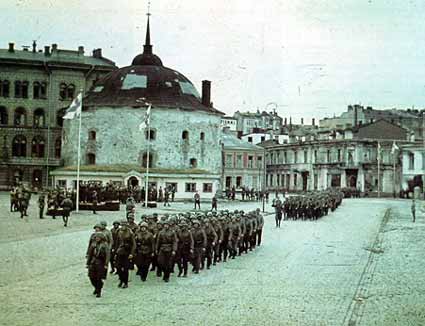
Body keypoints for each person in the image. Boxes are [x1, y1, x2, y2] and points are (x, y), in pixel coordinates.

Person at [86, 232, 109, 298]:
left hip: (101, 262)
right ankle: (96, 287)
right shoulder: (93, 244)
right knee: (91, 277)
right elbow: (90, 254)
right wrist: (88, 263)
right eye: (96, 237)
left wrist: (106, 264)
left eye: (98, 237)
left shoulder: (105, 245)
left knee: (99, 278)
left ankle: (99, 291)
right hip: (93, 262)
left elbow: (107, 255)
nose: (97, 239)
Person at [115, 220, 136, 288]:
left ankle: (125, 282)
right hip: (119, 252)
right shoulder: (118, 231)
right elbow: (117, 242)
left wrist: (131, 253)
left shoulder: (130, 232)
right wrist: (115, 252)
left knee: (125, 268)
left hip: (127, 252)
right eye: (122, 225)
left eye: (124, 225)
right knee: (118, 267)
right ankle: (121, 279)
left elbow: (134, 244)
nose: (123, 226)